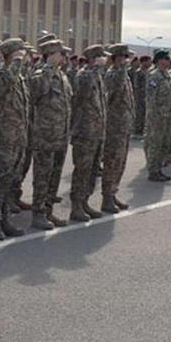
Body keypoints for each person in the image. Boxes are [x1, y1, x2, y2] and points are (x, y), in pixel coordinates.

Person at [0, 38, 30, 240]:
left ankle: (4, 220)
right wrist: (17, 61)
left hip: (16, 138)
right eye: (20, 52)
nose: (24, 56)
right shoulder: (0, 75)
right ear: (11, 54)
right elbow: (8, 80)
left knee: (8, 181)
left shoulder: (18, 78)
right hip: (2, 139)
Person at [27, 39, 72, 230]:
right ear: (52, 54)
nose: (64, 57)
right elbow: (34, 96)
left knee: (55, 175)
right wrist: (47, 69)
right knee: (42, 176)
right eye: (61, 53)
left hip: (60, 134)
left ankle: (48, 210)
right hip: (45, 135)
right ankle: (38, 213)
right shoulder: (40, 75)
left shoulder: (62, 76)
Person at [69, 44, 107, 221]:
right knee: (82, 170)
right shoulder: (84, 75)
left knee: (92, 170)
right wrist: (95, 68)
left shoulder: (97, 76)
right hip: (84, 131)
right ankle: (76, 206)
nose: (104, 60)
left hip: (96, 131)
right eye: (101, 57)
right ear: (94, 58)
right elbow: (81, 97)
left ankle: (85, 201)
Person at [100, 44, 135, 213]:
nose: (126, 60)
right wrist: (121, 71)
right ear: (115, 58)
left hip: (123, 126)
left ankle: (113, 193)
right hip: (114, 126)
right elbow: (112, 96)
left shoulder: (124, 75)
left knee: (120, 163)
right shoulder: (112, 75)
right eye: (123, 57)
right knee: (112, 162)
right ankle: (106, 198)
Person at [144, 49, 171, 182]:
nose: (168, 61)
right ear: (159, 60)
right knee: (155, 143)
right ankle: (153, 170)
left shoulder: (167, 75)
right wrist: (154, 116)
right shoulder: (154, 76)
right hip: (157, 116)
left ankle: (158, 167)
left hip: (167, 115)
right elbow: (151, 98)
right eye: (166, 58)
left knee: (164, 143)